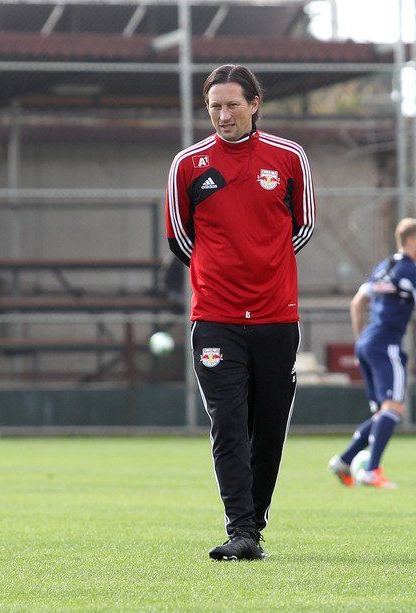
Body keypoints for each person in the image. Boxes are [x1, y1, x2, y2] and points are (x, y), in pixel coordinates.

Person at [165, 64, 315, 560]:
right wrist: (220, 273)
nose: (223, 115)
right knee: (227, 423)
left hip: (277, 317)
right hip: (216, 317)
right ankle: (242, 530)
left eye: (232, 104)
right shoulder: (187, 165)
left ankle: (256, 521)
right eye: (215, 107)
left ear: (254, 104)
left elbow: (303, 227)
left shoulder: (290, 158)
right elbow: (179, 238)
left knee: (267, 427)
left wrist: (265, 267)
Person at [328, 219, 416, 489]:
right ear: (410, 240)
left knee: (382, 413)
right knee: (394, 408)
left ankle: (345, 460)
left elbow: (357, 303)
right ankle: (371, 471)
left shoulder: (383, 267)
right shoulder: (415, 270)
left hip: (367, 345)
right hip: (387, 346)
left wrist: (361, 340)